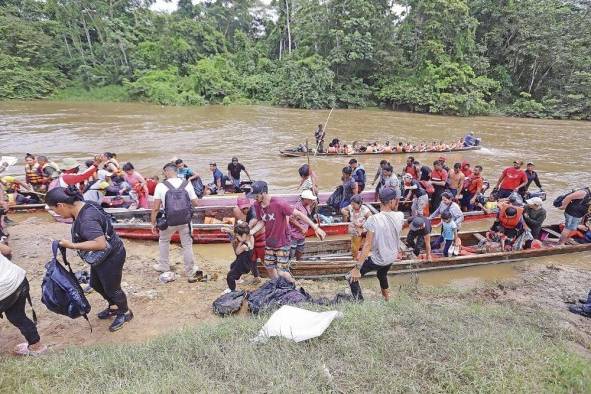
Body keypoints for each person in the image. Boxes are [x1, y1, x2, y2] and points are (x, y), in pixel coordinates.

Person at [46, 186, 133, 332]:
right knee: (96, 284)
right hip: (102, 256)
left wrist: (71, 245)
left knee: (113, 288)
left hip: (111, 256)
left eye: (55, 210)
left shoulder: (87, 219)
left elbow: (100, 244)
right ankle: (113, 307)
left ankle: (125, 312)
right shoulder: (85, 204)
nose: (57, 213)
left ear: (61, 205)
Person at [247, 181, 326, 282]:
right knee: (269, 267)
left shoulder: (279, 203)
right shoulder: (257, 205)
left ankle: (293, 285)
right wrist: (251, 232)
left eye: (256, 195)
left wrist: (315, 228)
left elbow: (299, 214)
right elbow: (262, 221)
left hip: (282, 242)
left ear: (263, 193)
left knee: (281, 272)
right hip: (269, 242)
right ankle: (277, 285)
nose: (254, 198)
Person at [347, 187, 404, 301]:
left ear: (379, 200)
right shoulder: (400, 216)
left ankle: (360, 304)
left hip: (380, 258)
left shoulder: (373, 219)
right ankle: (387, 299)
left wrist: (357, 268)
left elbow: (367, 245)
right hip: (392, 256)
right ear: (392, 201)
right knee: (381, 274)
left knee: (350, 277)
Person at [150, 162, 203, 282]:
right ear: (176, 171)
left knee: (164, 241)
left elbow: (156, 208)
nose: (163, 174)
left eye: (164, 172)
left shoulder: (161, 186)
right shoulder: (186, 183)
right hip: (185, 220)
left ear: (167, 172)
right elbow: (195, 202)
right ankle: (189, 269)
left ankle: (164, 265)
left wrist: (153, 223)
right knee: (187, 244)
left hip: (168, 221)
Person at [0, 250, 47, 355]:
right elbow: (7, 250)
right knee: (17, 316)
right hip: (18, 278)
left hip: (4, 289)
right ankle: (37, 346)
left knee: (17, 316)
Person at [231, 197, 263, 280]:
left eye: (246, 208)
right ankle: (256, 276)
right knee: (252, 257)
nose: (245, 210)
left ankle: (256, 276)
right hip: (251, 235)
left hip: (257, 235)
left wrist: (247, 229)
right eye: (243, 208)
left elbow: (253, 221)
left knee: (253, 257)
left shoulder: (253, 212)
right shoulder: (238, 210)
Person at [224, 222, 255, 293]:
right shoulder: (251, 239)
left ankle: (232, 290)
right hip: (247, 263)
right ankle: (238, 279)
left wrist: (240, 242)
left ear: (244, 235)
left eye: (238, 236)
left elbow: (237, 252)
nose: (237, 237)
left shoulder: (244, 246)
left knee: (230, 276)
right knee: (232, 265)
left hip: (242, 265)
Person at [288, 190, 318, 261]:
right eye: (310, 199)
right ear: (305, 199)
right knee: (291, 251)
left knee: (300, 249)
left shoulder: (307, 205)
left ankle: (298, 262)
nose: (311, 200)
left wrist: (313, 205)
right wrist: (301, 228)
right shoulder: (297, 207)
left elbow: (307, 214)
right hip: (294, 234)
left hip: (302, 234)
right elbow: (291, 219)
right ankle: (289, 264)